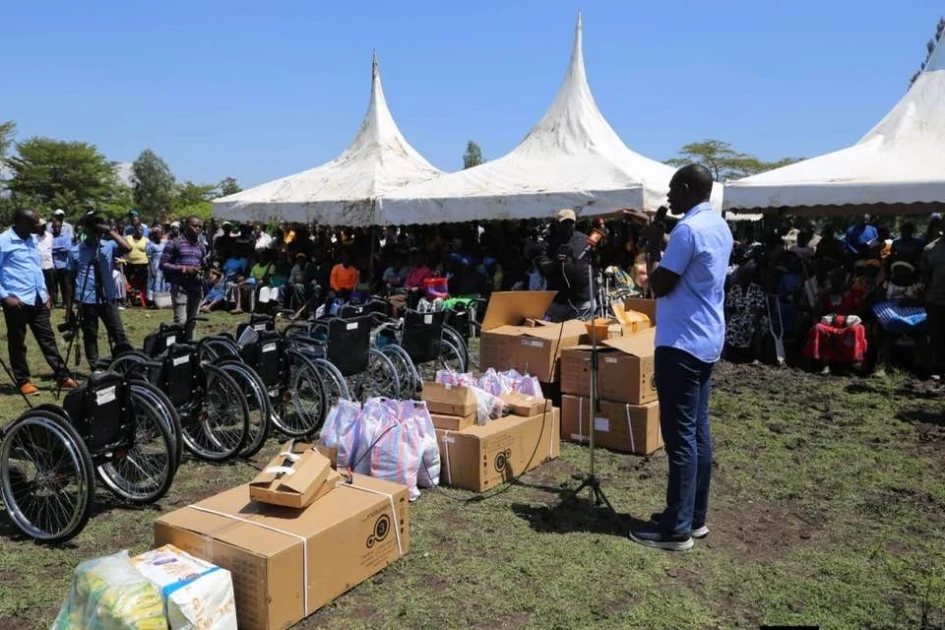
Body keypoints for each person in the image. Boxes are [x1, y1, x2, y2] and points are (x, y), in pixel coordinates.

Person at [629, 164, 732, 551]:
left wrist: (655, 243)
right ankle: (696, 517)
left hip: (681, 344)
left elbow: (659, 285)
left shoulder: (687, 231)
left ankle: (676, 529)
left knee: (680, 438)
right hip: (706, 340)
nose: (668, 198)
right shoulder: (718, 225)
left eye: (673, 191)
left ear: (688, 189)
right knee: (699, 432)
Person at [0, 209, 77, 395]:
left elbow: (35, 268)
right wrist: (5, 297)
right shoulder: (3, 242)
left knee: (47, 338)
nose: (40, 226)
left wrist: (45, 293)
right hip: (16, 301)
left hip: (38, 298)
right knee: (18, 342)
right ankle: (23, 381)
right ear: (23, 224)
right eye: (36, 223)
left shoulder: (31, 239)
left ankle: (62, 376)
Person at [64, 213, 133, 366]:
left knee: (118, 333)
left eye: (98, 230)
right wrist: (68, 309)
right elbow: (69, 281)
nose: (95, 233)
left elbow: (127, 247)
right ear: (85, 230)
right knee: (90, 335)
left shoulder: (108, 246)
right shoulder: (75, 251)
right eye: (93, 229)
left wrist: (109, 231)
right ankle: (95, 367)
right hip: (86, 300)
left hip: (108, 298)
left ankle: (126, 364)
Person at [539, 209, 593, 322]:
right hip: (558, 302)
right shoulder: (549, 242)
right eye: (564, 223)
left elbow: (595, 262)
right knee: (557, 335)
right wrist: (555, 262)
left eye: (571, 223)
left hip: (581, 300)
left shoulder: (585, 239)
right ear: (557, 224)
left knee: (581, 337)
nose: (568, 226)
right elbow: (543, 267)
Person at [160, 216, 207, 341]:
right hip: (180, 288)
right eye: (194, 226)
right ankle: (178, 352)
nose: (197, 229)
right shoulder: (174, 243)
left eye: (200, 227)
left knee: (193, 322)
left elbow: (203, 263)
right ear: (186, 226)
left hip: (196, 288)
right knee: (181, 322)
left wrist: (203, 270)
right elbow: (163, 264)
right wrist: (184, 269)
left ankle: (191, 352)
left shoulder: (201, 246)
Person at [921, 221, 945, 379]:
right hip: (935, 299)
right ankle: (936, 368)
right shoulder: (930, 249)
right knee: (936, 335)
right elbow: (925, 274)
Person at [124, 222, 150, 302]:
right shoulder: (127, 238)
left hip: (142, 264)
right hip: (129, 264)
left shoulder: (146, 240)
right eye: (139, 230)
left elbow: (149, 253)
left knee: (139, 283)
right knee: (129, 282)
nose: (141, 232)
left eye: (142, 230)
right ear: (134, 230)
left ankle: (139, 299)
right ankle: (129, 298)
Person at [145, 224, 169, 306]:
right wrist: (152, 269)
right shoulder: (150, 245)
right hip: (154, 264)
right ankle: (152, 299)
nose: (160, 235)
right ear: (154, 235)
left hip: (163, 264)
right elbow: (149, 258)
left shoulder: (164, 243)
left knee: (162, 281)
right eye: (158, 234)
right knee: (154, 282)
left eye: (161, 234)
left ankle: (162, 299)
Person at [50, 220, 72, 307]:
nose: (56, 229)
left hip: (63, 265)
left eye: (58, 227)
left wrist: (54, 249)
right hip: (53, 265)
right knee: (53, 285)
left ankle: (65, 302)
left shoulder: (66, 237)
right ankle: (54, 302)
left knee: (65, 285)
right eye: (55, 227)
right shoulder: (50, 238)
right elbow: (48, 249)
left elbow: (67, 248)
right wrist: (58, 249)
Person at [35, 218, 55, 302]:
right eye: (41, 226)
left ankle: (51, 301)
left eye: (44, 226)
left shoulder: (50, 236)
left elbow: (52, 250)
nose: (43, 228)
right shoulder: (33, 237)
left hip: (49, 264)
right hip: (38, 266)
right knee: (40, 284)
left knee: (50, 285)